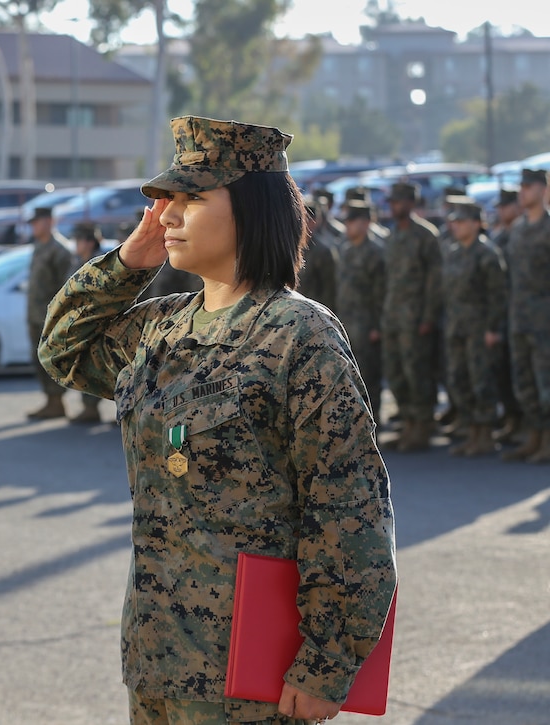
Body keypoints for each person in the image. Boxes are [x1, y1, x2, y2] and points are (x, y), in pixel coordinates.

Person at [38, 115, 397, 725]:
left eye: (192, 198)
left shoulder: (297, 335)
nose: (168, 216)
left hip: (251, 677)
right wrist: (128, 261)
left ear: (253, 211)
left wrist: (326, 665)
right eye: (165, 200)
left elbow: (350, 511)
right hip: (158, 660)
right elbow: (62, 350)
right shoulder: (163, 325)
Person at [439, 198, 507, 456]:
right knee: (459, 379)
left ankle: (485, 434)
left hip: (479, 328)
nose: (456, 226)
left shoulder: (487, 254)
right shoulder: (454, 252)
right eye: (454, 221)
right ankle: (472, 432)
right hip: (457, 326)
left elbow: (497, 295)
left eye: (462, 221)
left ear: (477, 223)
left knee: (482, 380)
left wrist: (492, 328)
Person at [381, 181, 442, 451]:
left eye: (398, 201)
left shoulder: (426, 236)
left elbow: (434, 281)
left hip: (416, 319)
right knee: (396, 373)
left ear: (410, 204)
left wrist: (429, 316)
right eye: (392, 201)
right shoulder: (393, 236)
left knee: (417, 372)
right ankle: (408, 423)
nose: (393, 206)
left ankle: (422, 426)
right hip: (394, 317)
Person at [501, 168, 550, 463]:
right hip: (519, 317)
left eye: (529, 186)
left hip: (544, 320)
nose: (523, 191)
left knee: (546, 382)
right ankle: (533, 435)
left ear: (543, 189)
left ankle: (548, 439)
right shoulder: (517, 229)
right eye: (521, 186)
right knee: (524, 381)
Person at [335, 200, 386, 419]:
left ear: (366, 223)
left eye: (352, 222)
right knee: (349, 376)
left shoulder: (375, 252)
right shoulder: (345, 250)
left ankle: (373, 422)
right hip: (347, 322)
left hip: (366, 324)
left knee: (368, 377)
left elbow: (381, 293)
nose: (348, 226)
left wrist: (377, 325)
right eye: (346, 222)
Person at [25, 206, 74, 419]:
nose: (34, 227)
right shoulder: (39, 247)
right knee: (37, 358)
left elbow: (65, 287)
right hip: (35, 315)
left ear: (49, 222)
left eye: (37, 222)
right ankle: (50, 400)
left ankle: (56, 401)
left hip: (50, 317)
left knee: (51, 359)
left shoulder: (60, 250)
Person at [488, 187, 523, 441]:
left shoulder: (526, 235)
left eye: (504, 205)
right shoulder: (499, 240)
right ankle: (514, 420)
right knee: (506, 372)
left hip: (530, 314)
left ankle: (533, 428)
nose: (500, 211)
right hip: (506, 315)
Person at [68, 222, 106, 424]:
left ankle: (92, 408)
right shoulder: (78, 261)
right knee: (82, 364)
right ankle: (88, 408)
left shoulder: (97, 264)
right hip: (79, 322)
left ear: (90, 242)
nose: (75, 244)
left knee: (93, 365)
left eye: (78, 240)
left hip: (94, 322)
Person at [296, 196, 338, 311]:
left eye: (307, 219)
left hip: (314, 313)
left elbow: (329, 290)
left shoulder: (323, 251)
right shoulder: (292, 247)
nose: (303, 224)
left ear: (315, 222)